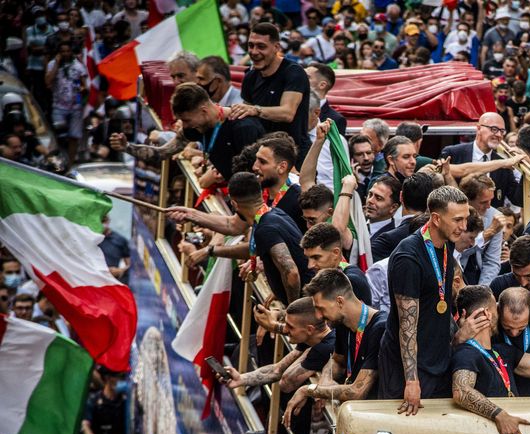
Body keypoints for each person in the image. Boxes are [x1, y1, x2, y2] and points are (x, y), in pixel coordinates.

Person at [378, 186, 469, 410]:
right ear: (436, 218)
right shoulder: (408, 258)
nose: (464, 227)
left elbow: (441, 300)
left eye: (465, 219)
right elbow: (406, 326)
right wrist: (411, 381)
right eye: (457, 220)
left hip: (437, 358)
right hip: (409, 369)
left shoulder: (446, 243)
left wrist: (456, 335)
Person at [451, 285, 530, 434]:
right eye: (496, 308)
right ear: (488, 314)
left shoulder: (503, 351)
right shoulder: (467, 353)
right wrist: (500, 415)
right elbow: (461, 391)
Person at [222, 297, 334, 434]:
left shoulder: (324, 347)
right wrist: (241, 378)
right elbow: (277, 369)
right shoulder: (310, 339)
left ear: (309, 329)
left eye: (290, 327)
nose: (285, 330)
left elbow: (286, 382)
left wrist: (305, 357)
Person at [189, 172, 312, 303]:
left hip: (306, 305)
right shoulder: (273, 214)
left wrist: (292, 310)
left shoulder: (265, 228)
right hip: (309, 296)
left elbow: (291, 272)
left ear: (234, 204)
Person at [110, 83, 263, 184]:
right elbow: (162, 153)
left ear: (203, 111)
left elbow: (258, 177)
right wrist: (127, 147)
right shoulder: (195, 127)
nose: (184, 126)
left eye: (187, 120)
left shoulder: (243, 127)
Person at [289, 267, 386, 422]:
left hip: (378, 421)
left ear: (340, 301)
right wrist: (326, 379)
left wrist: (311, 390)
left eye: (321, 308)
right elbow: (337, 360)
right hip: (355, 417)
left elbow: (357, 391)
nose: (319, 316)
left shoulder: (380, 328)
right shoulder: (343, 323)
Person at [232, 22, 312, 163]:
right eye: (251, 46)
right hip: (262, 155)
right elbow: (246, 116)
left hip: (294, 155)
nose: (254, 52)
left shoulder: (293, 72)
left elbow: (288, 113)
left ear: (276, 47)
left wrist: (255, 110)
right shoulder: (250, 76)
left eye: (261, 46)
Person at [443, 112, 526, 208]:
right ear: (478, 128)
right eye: (494, 129)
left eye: (502, 131)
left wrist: (525, 170)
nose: (499, 134)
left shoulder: (504, 164)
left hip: (491, 221)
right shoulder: (453, 153)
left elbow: (518, 200)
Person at [299, 221, 373, 305]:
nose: (310, 265)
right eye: (307, 258)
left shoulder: (351, 281)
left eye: (316, 257)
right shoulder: (328, 272)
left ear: (336, 253)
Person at [45, 41, 88, 162]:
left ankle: (70, 162)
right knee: (59, 136)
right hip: (58, 106)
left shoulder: (78, 66)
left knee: (74, 136)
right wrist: (57, 64)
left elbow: (84, 85)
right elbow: (48, 82)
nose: (65, 54)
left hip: (75, 106)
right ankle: (57, 161)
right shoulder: (52, 64)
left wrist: (81, 89)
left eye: (67, 51)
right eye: (62, 51)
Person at [305, 61, 347, 133]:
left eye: (307, 77)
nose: (300, 79)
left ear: (322, 85)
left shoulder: (335, 119)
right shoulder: (292, 109)